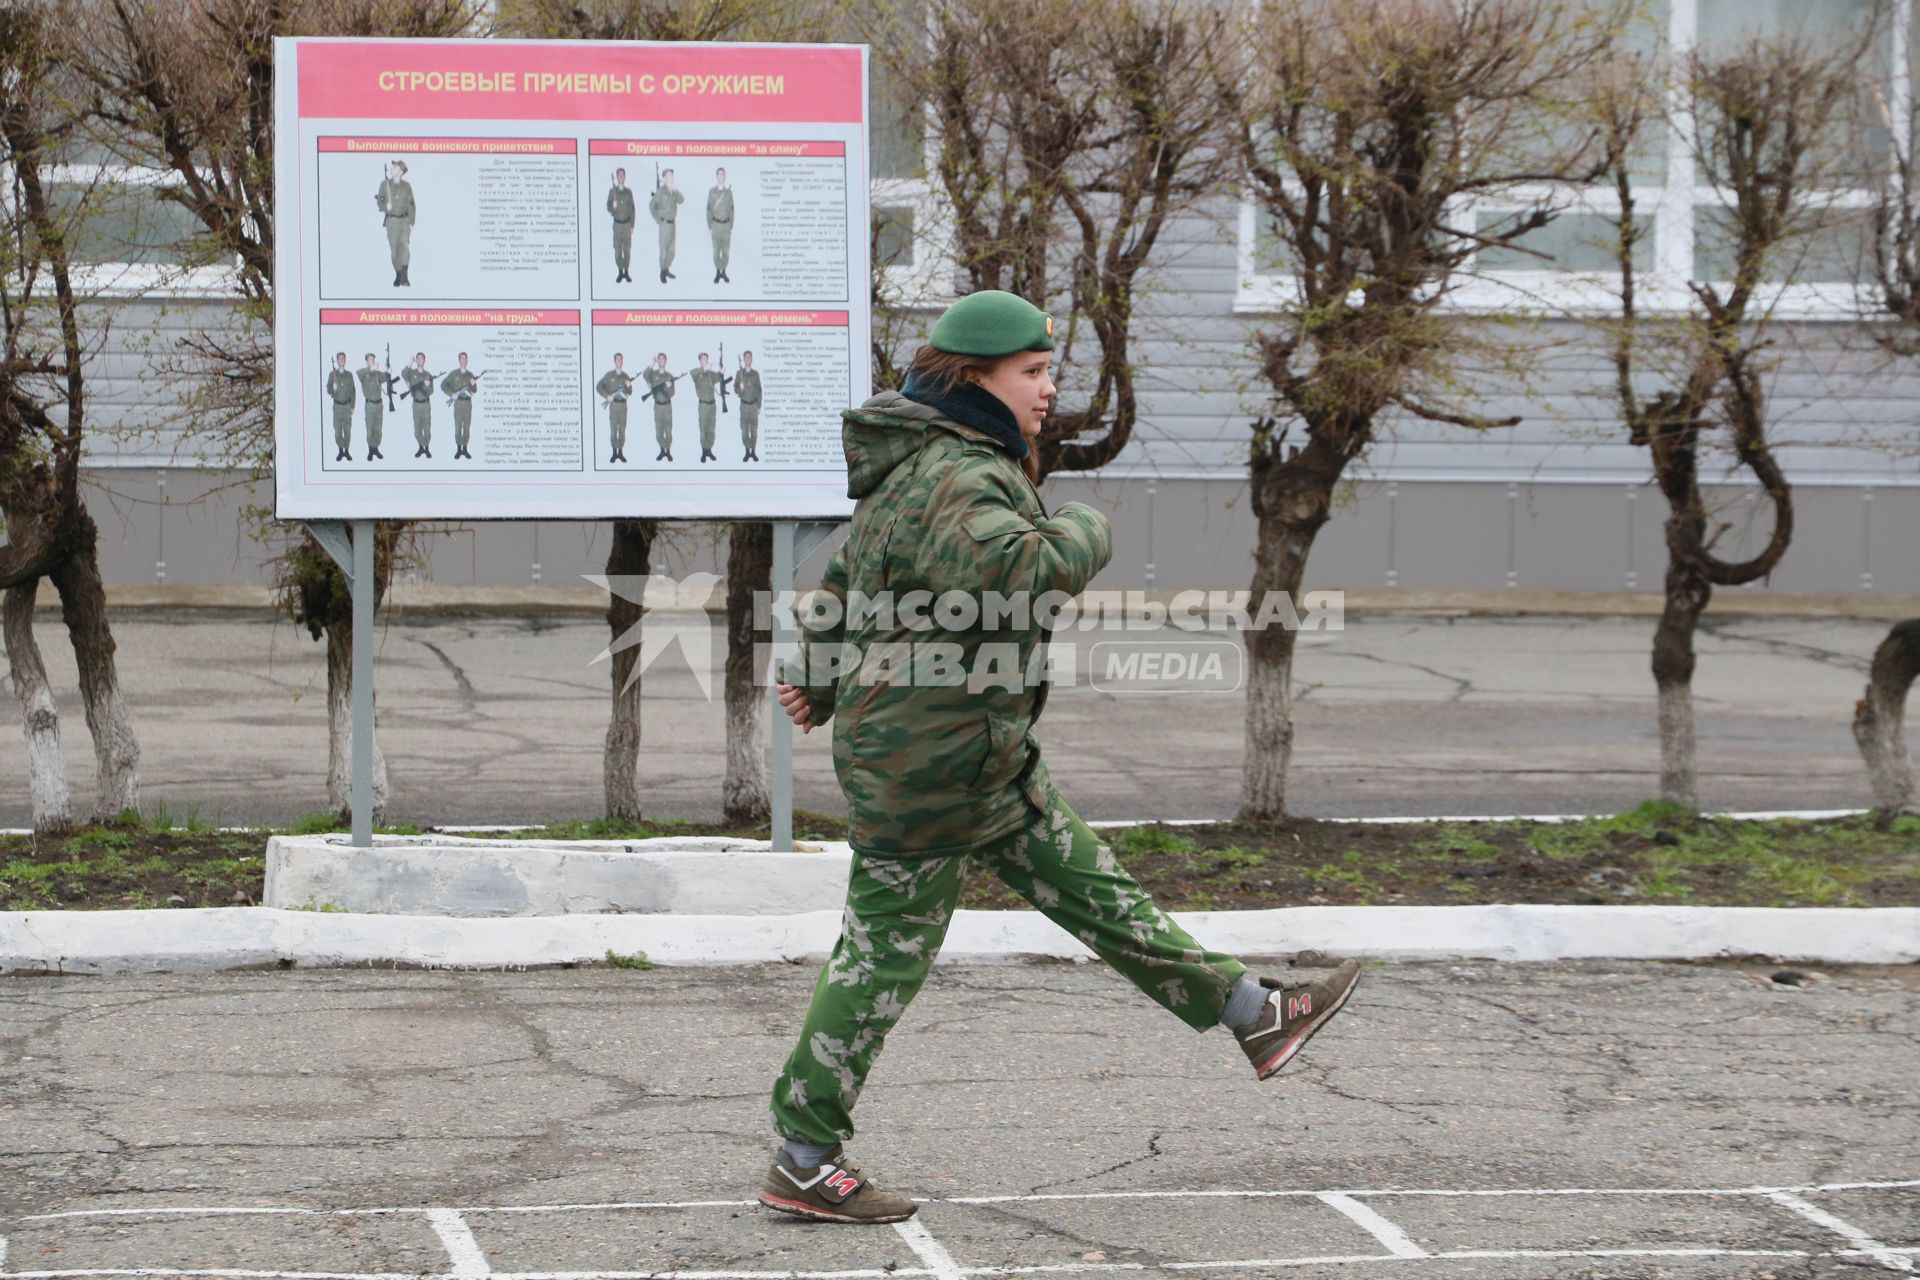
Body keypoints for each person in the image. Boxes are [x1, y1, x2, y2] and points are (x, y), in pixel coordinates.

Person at [759, 290, 1363, 1225]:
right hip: (937, 761)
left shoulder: (921, 460)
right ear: (977, 379)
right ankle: (804, 1154)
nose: (1048, 389)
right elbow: (1020, 577)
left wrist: (823, 676)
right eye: (1032, 373)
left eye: (1048, 371)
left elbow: (851, 582)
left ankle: (1255, 1016)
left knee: (1090, 889)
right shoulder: (961, 475)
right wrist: (1085, 525)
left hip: (955, 746)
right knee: (883, 957)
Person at [375, 160, 415, 288]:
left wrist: (411, 222)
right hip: (391, 222)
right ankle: (398, 275)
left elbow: (412, 205)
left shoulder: (407, 186)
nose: (392, 168)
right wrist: (385, 206)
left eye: (396, 166)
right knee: (394, 250)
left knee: (404, 248)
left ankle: (405, 277)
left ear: (401, 171)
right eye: (393, 166)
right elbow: (380, 200)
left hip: (404, 222)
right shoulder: (385, 184)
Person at [689, 351, 729, 463]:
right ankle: (703, 451)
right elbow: (691, 373)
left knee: (711, 429)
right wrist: (704, 368)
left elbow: (719, 377)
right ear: (699, 361)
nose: (705, 361)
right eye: (703, 359)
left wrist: (722, 370)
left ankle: (709, 450)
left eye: (706, 359)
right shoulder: (697, 373)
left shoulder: (711, 374)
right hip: (703, 406)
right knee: (703, 430)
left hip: (712, 406)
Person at [441, 353, 481, 460]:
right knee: (458, 426)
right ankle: (458, 449)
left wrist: (473, 384)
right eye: (462, 358)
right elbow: (443, 384)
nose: (464, 360)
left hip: (468, 404)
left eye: (465, 358)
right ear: (459, 360)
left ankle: (465, 449)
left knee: (467, 426)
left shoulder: (470, 374)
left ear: (467, 360)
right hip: (458, 404)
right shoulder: (454, 374)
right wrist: (452, 394)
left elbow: (475, 391)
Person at [598, 353, 635, 463]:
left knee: (622, 430)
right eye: (617, 359)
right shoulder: (609, 375)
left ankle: (620, 452)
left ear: (622, 361)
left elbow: (630, 392)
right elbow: (598, 386)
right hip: (614, 406)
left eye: (621, 359)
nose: (619, 361)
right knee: (614, 430)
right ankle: (614, 453)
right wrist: (607, 396)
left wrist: (629, 386)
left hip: (623, 406)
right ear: (614, 361)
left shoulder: (625, 376)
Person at [650, 168, 684, 284]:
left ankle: (667, 269)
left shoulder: (673, 191)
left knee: (671, 251)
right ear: (664, 178)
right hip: (664, 225)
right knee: (663, 251)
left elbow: (681, 200)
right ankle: (662, 272)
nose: (671, 178)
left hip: (673, 225)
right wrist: (658, 220)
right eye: (669, 176)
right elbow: (652, 206)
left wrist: (676, 190)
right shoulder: (660, 191)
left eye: (672, 176)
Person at [354, 353, 390, 461]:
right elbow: (358, 373)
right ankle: (370, 450)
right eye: (370, 359)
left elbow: (385, 377)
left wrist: (388, 372)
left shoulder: (377, 374)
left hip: (379, 405)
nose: (372, 361)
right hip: (370, 405)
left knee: (378, 428)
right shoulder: (363, 374)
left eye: (373, 359)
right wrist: (370, 369)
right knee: (370, 429)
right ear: (366, 361)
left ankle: (376, 448)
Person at [643, 352, 677, 461]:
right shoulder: (653, 374)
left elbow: (672, 393)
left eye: (663, 359)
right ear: (658, 361)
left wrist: (667, 387)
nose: (661, 361)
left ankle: (668, 451)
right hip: (657, 407)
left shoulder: (669, 376)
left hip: (667, 407)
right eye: (660, 359)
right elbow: (645, 375)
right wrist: (651, 364)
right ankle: (662, 450)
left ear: (666, 361)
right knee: (659, 431)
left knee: (668, 430)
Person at [402, 352, 435, 458]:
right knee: (417, 428)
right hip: (416, 405)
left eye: (422, 358)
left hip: (426, 404)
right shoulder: (411, 373)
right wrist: (409, 364)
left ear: (424, 360)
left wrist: (427, 386)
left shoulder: (428, 375)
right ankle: (420, 447)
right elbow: (403, 374)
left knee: (427, 427)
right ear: (416, 360)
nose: (420, 360)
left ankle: (426, 448)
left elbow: (431, 392)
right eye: (418, 358)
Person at [607, 168, 636, 284]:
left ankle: (626, 272)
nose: (620, 177)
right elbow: (608, 208)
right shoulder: (612, 191)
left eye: (622, 175)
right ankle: (620, 272)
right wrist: (612, 206)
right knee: (618, 250)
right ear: (616, 177)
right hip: (617, 225)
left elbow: (633, 209)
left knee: (627, 251)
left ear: (625, 177)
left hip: (627, 225)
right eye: (619, 175)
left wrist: (632, 225)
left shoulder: (629, 192)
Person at [707, 167, 734, 284]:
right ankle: (718, 272)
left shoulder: (729, 193)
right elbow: (708, 209)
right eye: (719, 174)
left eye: (723, 174)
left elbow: (732, 209)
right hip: (716, 226)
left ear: (725, 176)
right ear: (716, 176)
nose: (721, 176)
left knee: (726, 251)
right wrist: (709, 225)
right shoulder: (711, 192)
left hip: (726, 226)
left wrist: (731, 225)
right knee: (716, 251)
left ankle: (724, 271)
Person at [326, 352, 355, 462]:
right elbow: (328, 389)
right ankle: (340, 451)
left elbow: (353, 391)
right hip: (337, 406)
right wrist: (333, 388)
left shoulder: (349, 375)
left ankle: (346, 451)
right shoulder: (332, 374)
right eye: (339, 358)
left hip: (347, 406)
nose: (341, 360)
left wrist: (352, 406)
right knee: (338, 430)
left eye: (343, 358)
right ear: (337, 361)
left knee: (347, 429)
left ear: (345, 360)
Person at [735, 350, 762, 462]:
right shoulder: (739, 373)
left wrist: (759, 406)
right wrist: (740, 388)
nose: (748, 359)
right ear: (743, 359)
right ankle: (747, 452)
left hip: (754, 406)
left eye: (750, 357)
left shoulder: (755, 374)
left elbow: (759, 391)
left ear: (752, 359)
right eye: (746, 357)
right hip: (744, 406)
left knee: (754, 431)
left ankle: (753, 452)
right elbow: (736, 390)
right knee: (745, 430)